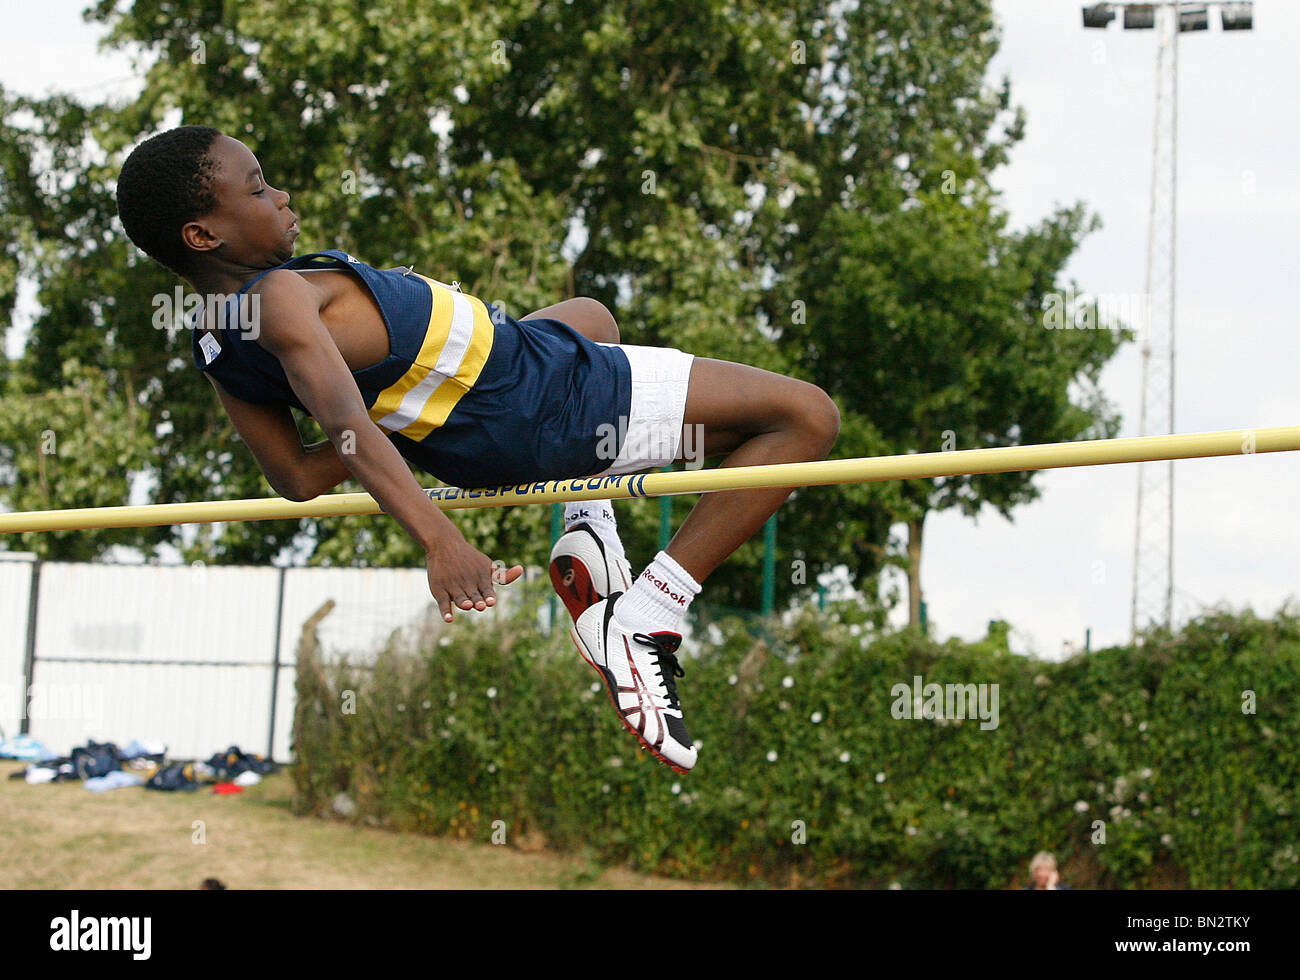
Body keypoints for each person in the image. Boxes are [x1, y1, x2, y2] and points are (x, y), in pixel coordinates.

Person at [115, 126, 840, 773]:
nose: (283, 195)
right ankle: (650, 611)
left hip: (500, 392)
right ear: (203, 235)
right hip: (542, 402)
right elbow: (345, 431)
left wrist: (406, 414)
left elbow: (301, 475)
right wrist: (439, 539)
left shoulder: (216, 337)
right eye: (258, 187)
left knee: (592, 314)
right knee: (806, 419)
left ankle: (588, 526)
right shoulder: (279, 301)